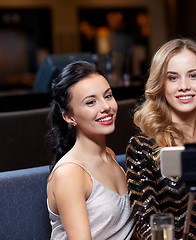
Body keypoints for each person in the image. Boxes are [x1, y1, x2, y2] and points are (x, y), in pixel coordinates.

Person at [125, 38, 196, 240]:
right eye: (173, 78)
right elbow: (148, 226)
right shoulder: (142, 147)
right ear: (161, 84)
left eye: (193, 75)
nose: (184, 86)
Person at [46, 61, 134, 240]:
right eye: (91, 102)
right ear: (69, 117)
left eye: (108, 96)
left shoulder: (109, 155)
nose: (105, 107)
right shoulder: (69, 173)